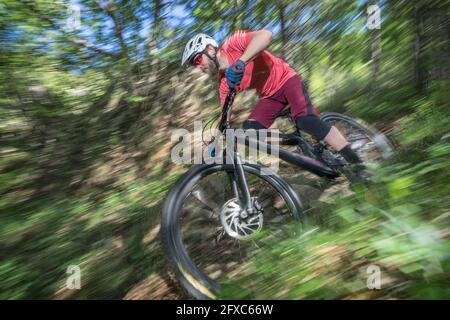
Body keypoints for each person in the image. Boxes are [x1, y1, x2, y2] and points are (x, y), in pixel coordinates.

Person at [181, 30, 363, 169]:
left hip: (287, 79)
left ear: (211, 50)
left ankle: (357, 164)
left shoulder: (234, 44)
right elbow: (224, 115)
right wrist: (216, 141)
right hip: (270, 97)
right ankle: (296, 140)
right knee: (250, 131)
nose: (199, 67)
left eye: (197, 60)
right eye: (194, 65)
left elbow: (266, 35)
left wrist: (241, 61)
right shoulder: (224, 83)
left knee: (306, 120)